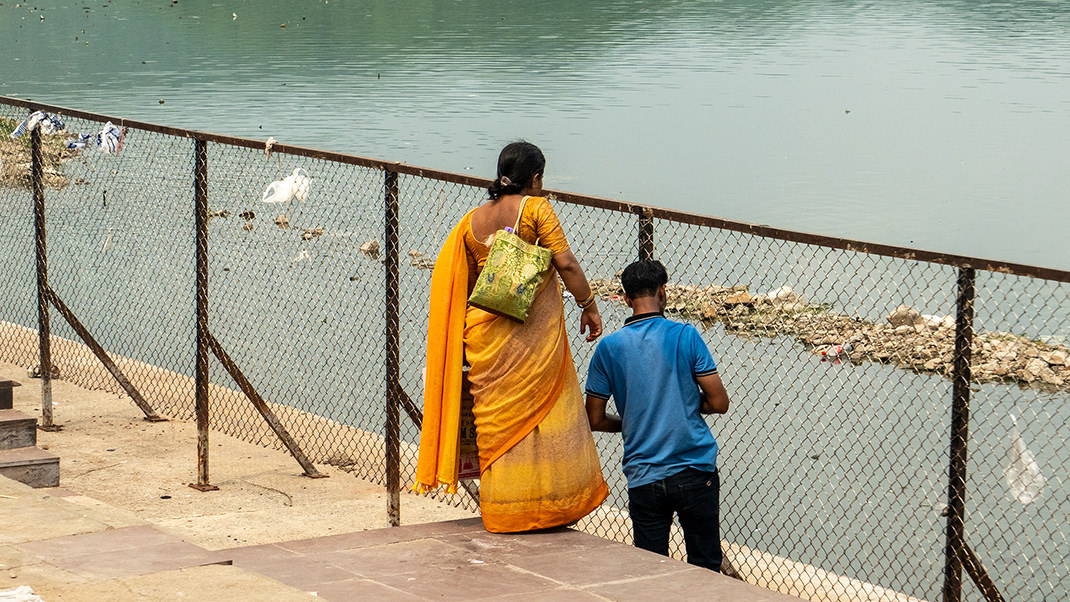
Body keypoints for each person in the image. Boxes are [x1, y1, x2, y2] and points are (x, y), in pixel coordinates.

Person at [414, 141, 609, 533]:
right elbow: (565, 262)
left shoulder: (471, 221)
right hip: (527, 336)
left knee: (498, 425)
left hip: (484, 337)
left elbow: (469, 284)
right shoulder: (536, 208)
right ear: (535, 178)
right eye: (541, 178)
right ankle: (549, 507)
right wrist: (588, 304)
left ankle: (506, 511)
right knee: (545, 415)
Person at [584, 259, 730, 571]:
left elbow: (594, 419)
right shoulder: (686, 336)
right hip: (694, 470)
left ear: (625, 298)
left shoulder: (607, 349)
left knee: (650, 570)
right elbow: (719, 402)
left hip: (643, 476)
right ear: (663, 292)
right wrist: (684, 402)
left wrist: (636, 418)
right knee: (705, 566)